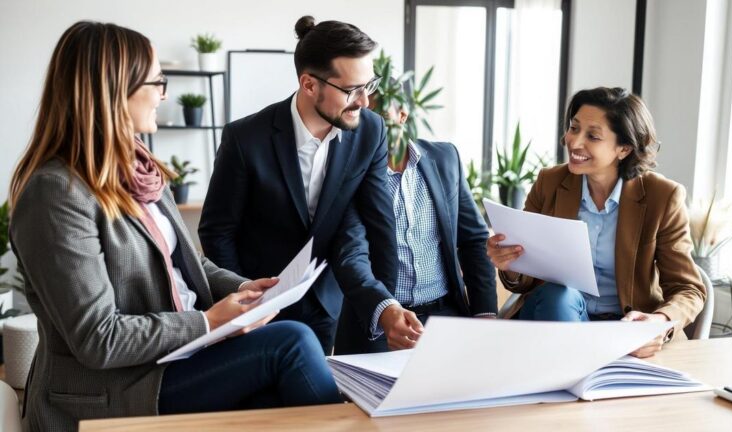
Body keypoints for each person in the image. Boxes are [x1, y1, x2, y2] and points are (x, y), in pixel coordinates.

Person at [8, 21, 339, 432]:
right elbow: (99, 338)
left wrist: (242, 289)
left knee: (278, 396)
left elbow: (186, 264)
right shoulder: (55, 194)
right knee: (293, 342)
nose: (164, 93)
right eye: (157, 80)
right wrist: (209, 322)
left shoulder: (140, 170)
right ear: (115, 89)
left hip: (177, 360)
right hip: (115, 386)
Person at [199, 16, 420, 354]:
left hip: (329, 302)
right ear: (309, 84)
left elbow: (378, 225)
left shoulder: (371, 132)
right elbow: (217, 232)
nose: (364, 101)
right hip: (257, 306)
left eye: (368, 86)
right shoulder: (245, 139)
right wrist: (243, 300)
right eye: (351, 90)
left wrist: (385, 304)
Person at [487, 87, 706, 358]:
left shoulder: (663, 197)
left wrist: (659, 322)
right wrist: (509, 263)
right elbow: (523, 280)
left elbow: (689, 289)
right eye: (573, 128)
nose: (574, 142)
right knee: (559, 295)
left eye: (592, 136)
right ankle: (568, 375)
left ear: (624, 148)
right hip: (556, 316)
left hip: (624, 329)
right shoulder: (550, 182)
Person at [334, 100, 497, 354]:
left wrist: (484, 313)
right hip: (379, 320)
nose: (369, 124)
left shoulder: (446, 159)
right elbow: (351, 257)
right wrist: (386, 311)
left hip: (446, 317)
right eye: (362, 115)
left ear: (402, 115)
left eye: (377, 114)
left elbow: (473, 240)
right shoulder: (348, 173)